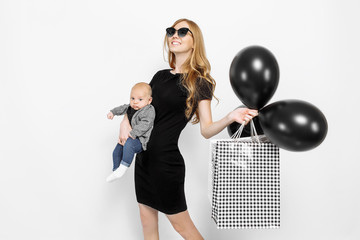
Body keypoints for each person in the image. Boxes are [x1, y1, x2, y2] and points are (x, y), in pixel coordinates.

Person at [119, 19, 258, 240]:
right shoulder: (160, 76)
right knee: (147, 226)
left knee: (182, 227)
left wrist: (231, 116)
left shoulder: (199, 82)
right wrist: (124, 122)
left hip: (166, 163)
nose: (175, 35)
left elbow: (206, 129)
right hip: (144, 160)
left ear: (195, 42)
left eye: (183, 32)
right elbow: (139, 108)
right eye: (171, 31)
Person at [106, 82, 155, 182]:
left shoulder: (149, 110)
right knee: (117, 150)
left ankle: (123, 167)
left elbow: (146, 124)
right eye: (132, 98)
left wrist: (133, 133)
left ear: (149, 100)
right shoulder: (130, 107)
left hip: (140, 140)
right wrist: (113, 112)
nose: (135, 102)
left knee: (129, 145)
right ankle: (116, 169)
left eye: (140, 99)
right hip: (129, 137)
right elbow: (121, 108)